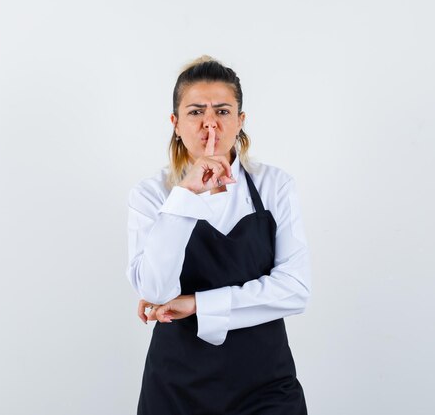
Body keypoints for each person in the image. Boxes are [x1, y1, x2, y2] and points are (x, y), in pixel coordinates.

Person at [125, 55, 312, 414]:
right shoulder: (150, 195)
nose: (210, 123)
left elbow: (295, 290)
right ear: (175, 123)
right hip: (176, 387)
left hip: (266, 386)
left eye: (222, 111)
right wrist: (185, 194)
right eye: (196, 112)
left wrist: (198, 304)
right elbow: (155, 290)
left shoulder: (275, 186)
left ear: (240, 121)